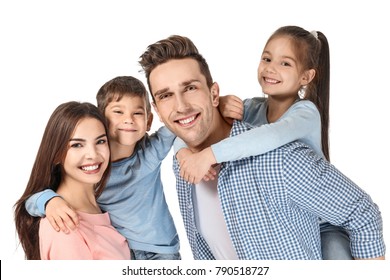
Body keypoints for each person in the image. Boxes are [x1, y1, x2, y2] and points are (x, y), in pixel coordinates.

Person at [138, 34, 386, 259]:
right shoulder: (183, 163)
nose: (181, 106)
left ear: (214, 94)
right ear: (157, 110)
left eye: (190, 88)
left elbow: (362, 214)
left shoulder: (282, 157)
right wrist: (184, 151)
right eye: (165, 95)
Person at [173, 26, 351, 259]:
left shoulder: (306, 113)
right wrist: (184, 153)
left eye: (285, 63)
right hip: (281, 218)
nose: (271, 68)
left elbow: (270, 137)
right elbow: (192, 129)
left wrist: (208, 155)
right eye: (267, 58)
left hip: (323, 221)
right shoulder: (251, 107)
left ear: (306, 77)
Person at [24, 76, 181, 260]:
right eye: (118, 112)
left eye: (137, 113)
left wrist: (183, 150)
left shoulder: (148, 152)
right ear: (103, 121)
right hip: (126, 250)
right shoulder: (95, 171)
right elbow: (30, 201)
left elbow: (182, 125)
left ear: (148, 120)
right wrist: (50, 201)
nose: (128, 120)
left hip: (161, 251)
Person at [14, 101, 130, 260]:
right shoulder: (64, 227)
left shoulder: (105, 205)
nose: (93, 154)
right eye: (77, 145)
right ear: (56, 155)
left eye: (100, 141)